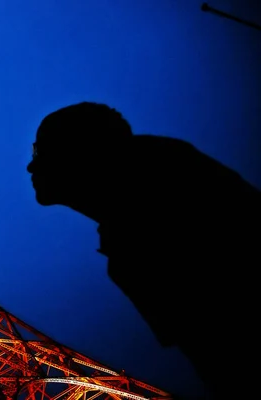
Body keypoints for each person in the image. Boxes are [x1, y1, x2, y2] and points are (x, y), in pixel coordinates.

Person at [26, 102, 260, 399]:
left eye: (41, 151)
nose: (31, 166)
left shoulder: (166, 191)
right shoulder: (130, 222)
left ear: (84, 150)